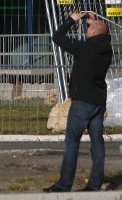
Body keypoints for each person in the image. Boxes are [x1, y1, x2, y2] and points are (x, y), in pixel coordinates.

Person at [45, 11, 113, 193]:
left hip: (82, 102)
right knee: (97, 144)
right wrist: (95, 22)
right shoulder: (107, 50)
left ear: (92, 34)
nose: (87, 30)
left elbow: (57, 36)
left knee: (71, 143)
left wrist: (72, 20)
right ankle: (94, 184)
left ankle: (64, 184)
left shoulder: (85, 49)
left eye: (89, 28)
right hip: (98, 102)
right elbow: (101, 32)